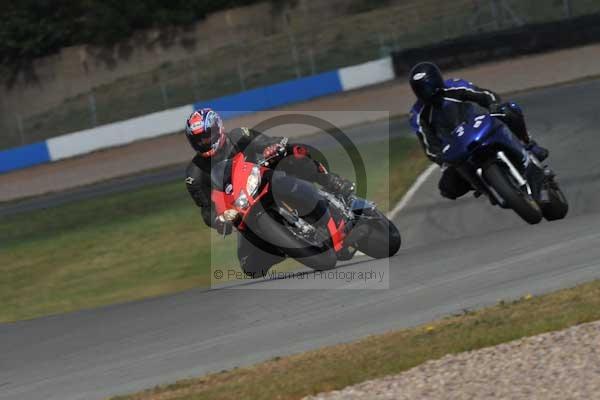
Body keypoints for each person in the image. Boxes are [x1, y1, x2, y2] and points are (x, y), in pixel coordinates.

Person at [184, 108, 355, 277]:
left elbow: (263, 141)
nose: (204, 142)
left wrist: (271, 147)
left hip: (267, 178)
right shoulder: (194, 173)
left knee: (292, 154)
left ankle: (331, 181)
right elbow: (206, 208)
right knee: (250, 266)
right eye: (198, 140)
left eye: (207, 136)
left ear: (218, 128)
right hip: (242, 207)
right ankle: (286, 246)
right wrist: (218, 219)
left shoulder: (238, 136)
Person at [408, 61, 549, 200]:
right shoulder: (417, 114)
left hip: (479, 125)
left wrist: (493, 105)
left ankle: (528, 143)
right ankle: (479, 184)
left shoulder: (454, 86)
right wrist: (441, 157)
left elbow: (485, 95)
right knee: (447, 188)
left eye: (427, 86)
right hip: (457, 146)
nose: (425, 92)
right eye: (420, 89)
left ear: (436, 80)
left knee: (509, 109)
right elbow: (428, 144)